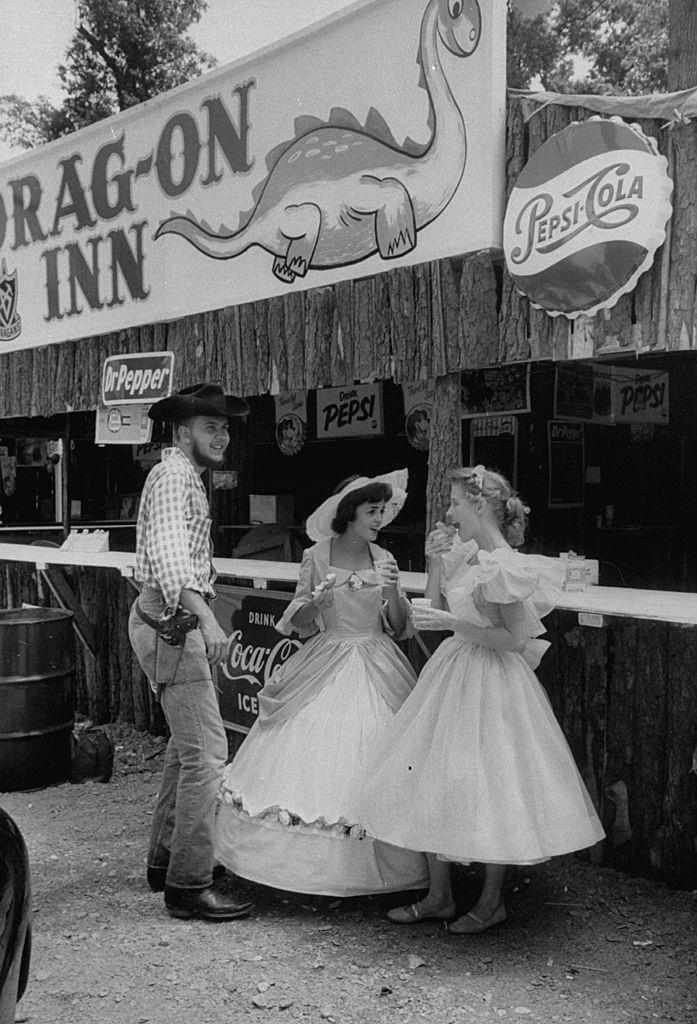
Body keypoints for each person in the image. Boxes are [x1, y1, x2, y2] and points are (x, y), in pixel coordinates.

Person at [361, 465, 605, 934]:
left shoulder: (504, 565)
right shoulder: (467, 556)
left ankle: (491, 901)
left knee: (493, 781)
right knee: (432, 772)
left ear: (477, 505)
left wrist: (455, 626)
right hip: (454, 671)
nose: (449, 512)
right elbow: (432, 610)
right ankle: (439, 894)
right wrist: (434, 564)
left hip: (492, 677)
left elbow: (515, 639)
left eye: (454, 503)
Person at [215, 471, 428, 896]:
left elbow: (400, 628)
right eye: (372, 511)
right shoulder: (315, 556)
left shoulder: (384, 557)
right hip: (325, 658)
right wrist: (316, 603)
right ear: (349, 514)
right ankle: (295, 867)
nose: (380, 518)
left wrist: (390, 593)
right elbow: (299, 626)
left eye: (384, 510)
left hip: (376, 661)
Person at [128, 382, 255, 922]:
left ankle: (166, 862)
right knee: (208, 753)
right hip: (173, 621)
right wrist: (205, 618)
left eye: (224, 427)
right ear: (182, 433)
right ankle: (189, 884)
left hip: (165, 619)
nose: (221, 434)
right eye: (210, 426)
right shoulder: (173, 474)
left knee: (186, 751)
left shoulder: (182, 476)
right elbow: (170, 556)